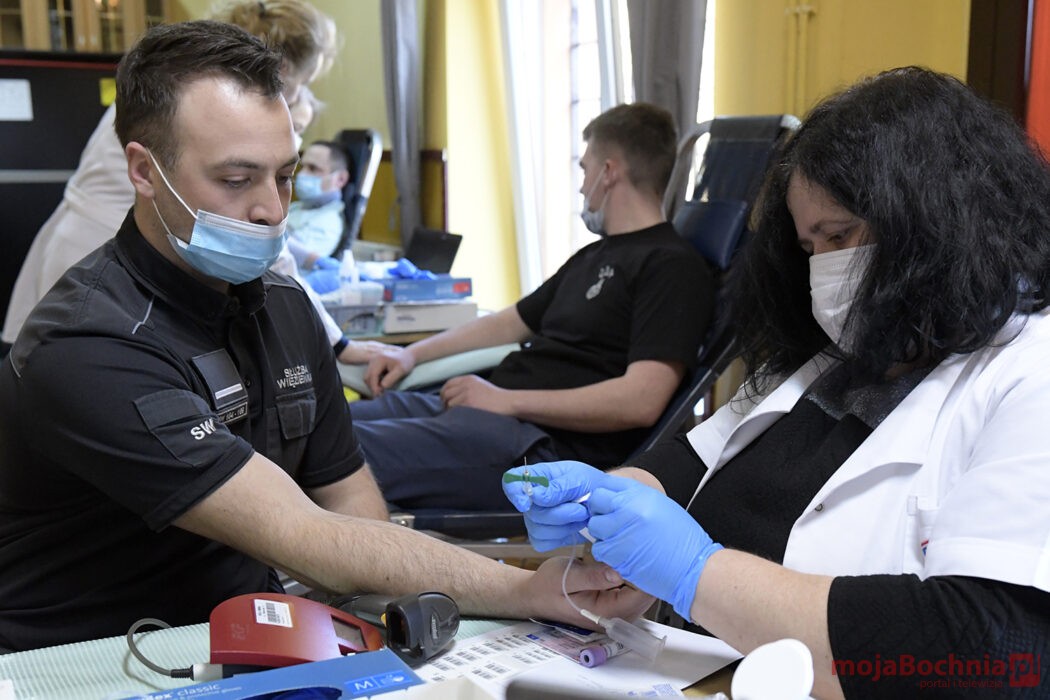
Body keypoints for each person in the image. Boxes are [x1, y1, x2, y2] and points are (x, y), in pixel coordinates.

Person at [0, 21, 650, 653]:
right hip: (97, 656)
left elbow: (354, 521)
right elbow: (306, 537)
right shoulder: (89, 344)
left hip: (249, 634)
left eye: (284, 176)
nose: (272, 210)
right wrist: (528, 589)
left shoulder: (284, 307)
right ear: (145, 172)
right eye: (235, 180)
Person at [503, 67, 1050, 699]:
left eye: (840, 235)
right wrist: (609, 498)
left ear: (939, 217)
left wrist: (695, 575)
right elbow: (694, 458)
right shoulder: (836, 355)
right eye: (811, 248)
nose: (826, 272)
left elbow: (996, 656)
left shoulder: (1028, 373)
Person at [350, 102, 715, 512]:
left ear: (609, 171)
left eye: (585, 169)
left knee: (334, 456)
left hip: (539, 448)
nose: (582, 187)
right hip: (488, 412)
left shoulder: (672, 266)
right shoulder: (593, 256)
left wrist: (506, 400)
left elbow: (641, 400)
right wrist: (411, 354)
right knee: (326, 424)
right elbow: (510, 322)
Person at [1, 0, 340, 353]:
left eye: (286, 176)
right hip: (100, 256)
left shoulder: (179, 85)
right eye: (235, 179)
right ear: (279, 69)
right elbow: (254, 232)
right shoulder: (193, 106)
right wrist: (338, 342)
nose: (298, 97)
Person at [284, 140, 352, 264]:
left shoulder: (329, 223)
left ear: (340, 179)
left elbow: (290, 259)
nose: (301, 174)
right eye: (302, 167)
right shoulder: (297, 207)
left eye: (313, 168)